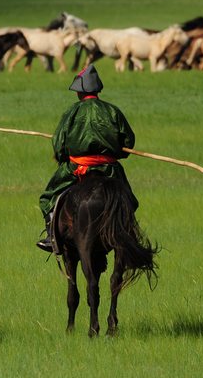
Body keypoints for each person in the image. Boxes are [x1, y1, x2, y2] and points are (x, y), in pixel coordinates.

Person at [36, 64, 137, 252]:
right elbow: (128, 142)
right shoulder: (113, 111)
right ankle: (129, 233)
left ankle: (51, 236)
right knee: (129, 200)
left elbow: (59, 144)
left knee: (48, 197)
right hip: (110, 168)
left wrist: (63, 156)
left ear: (79, 92)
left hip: (76, 167)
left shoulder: (72, 112)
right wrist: (116, 153)